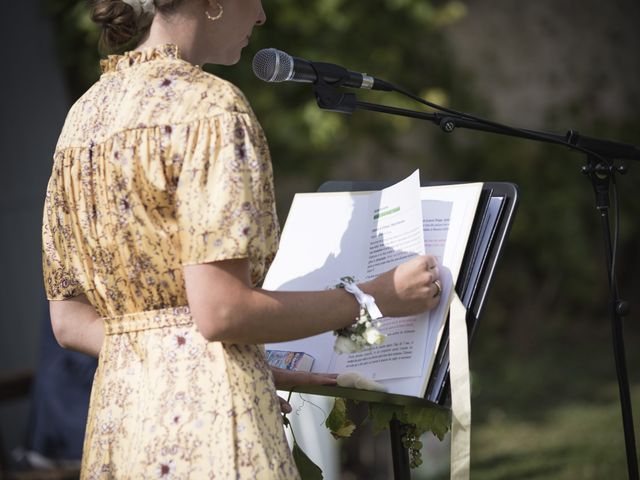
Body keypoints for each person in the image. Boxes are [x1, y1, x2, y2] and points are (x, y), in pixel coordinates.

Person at [41, 0, 442, 478]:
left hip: (122, 428)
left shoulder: (82, 120)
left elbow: (69, 321)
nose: (261, 16)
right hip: (211, 437)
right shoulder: (211, 106)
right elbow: (223, 311)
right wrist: (372, 298)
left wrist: (232, 364)